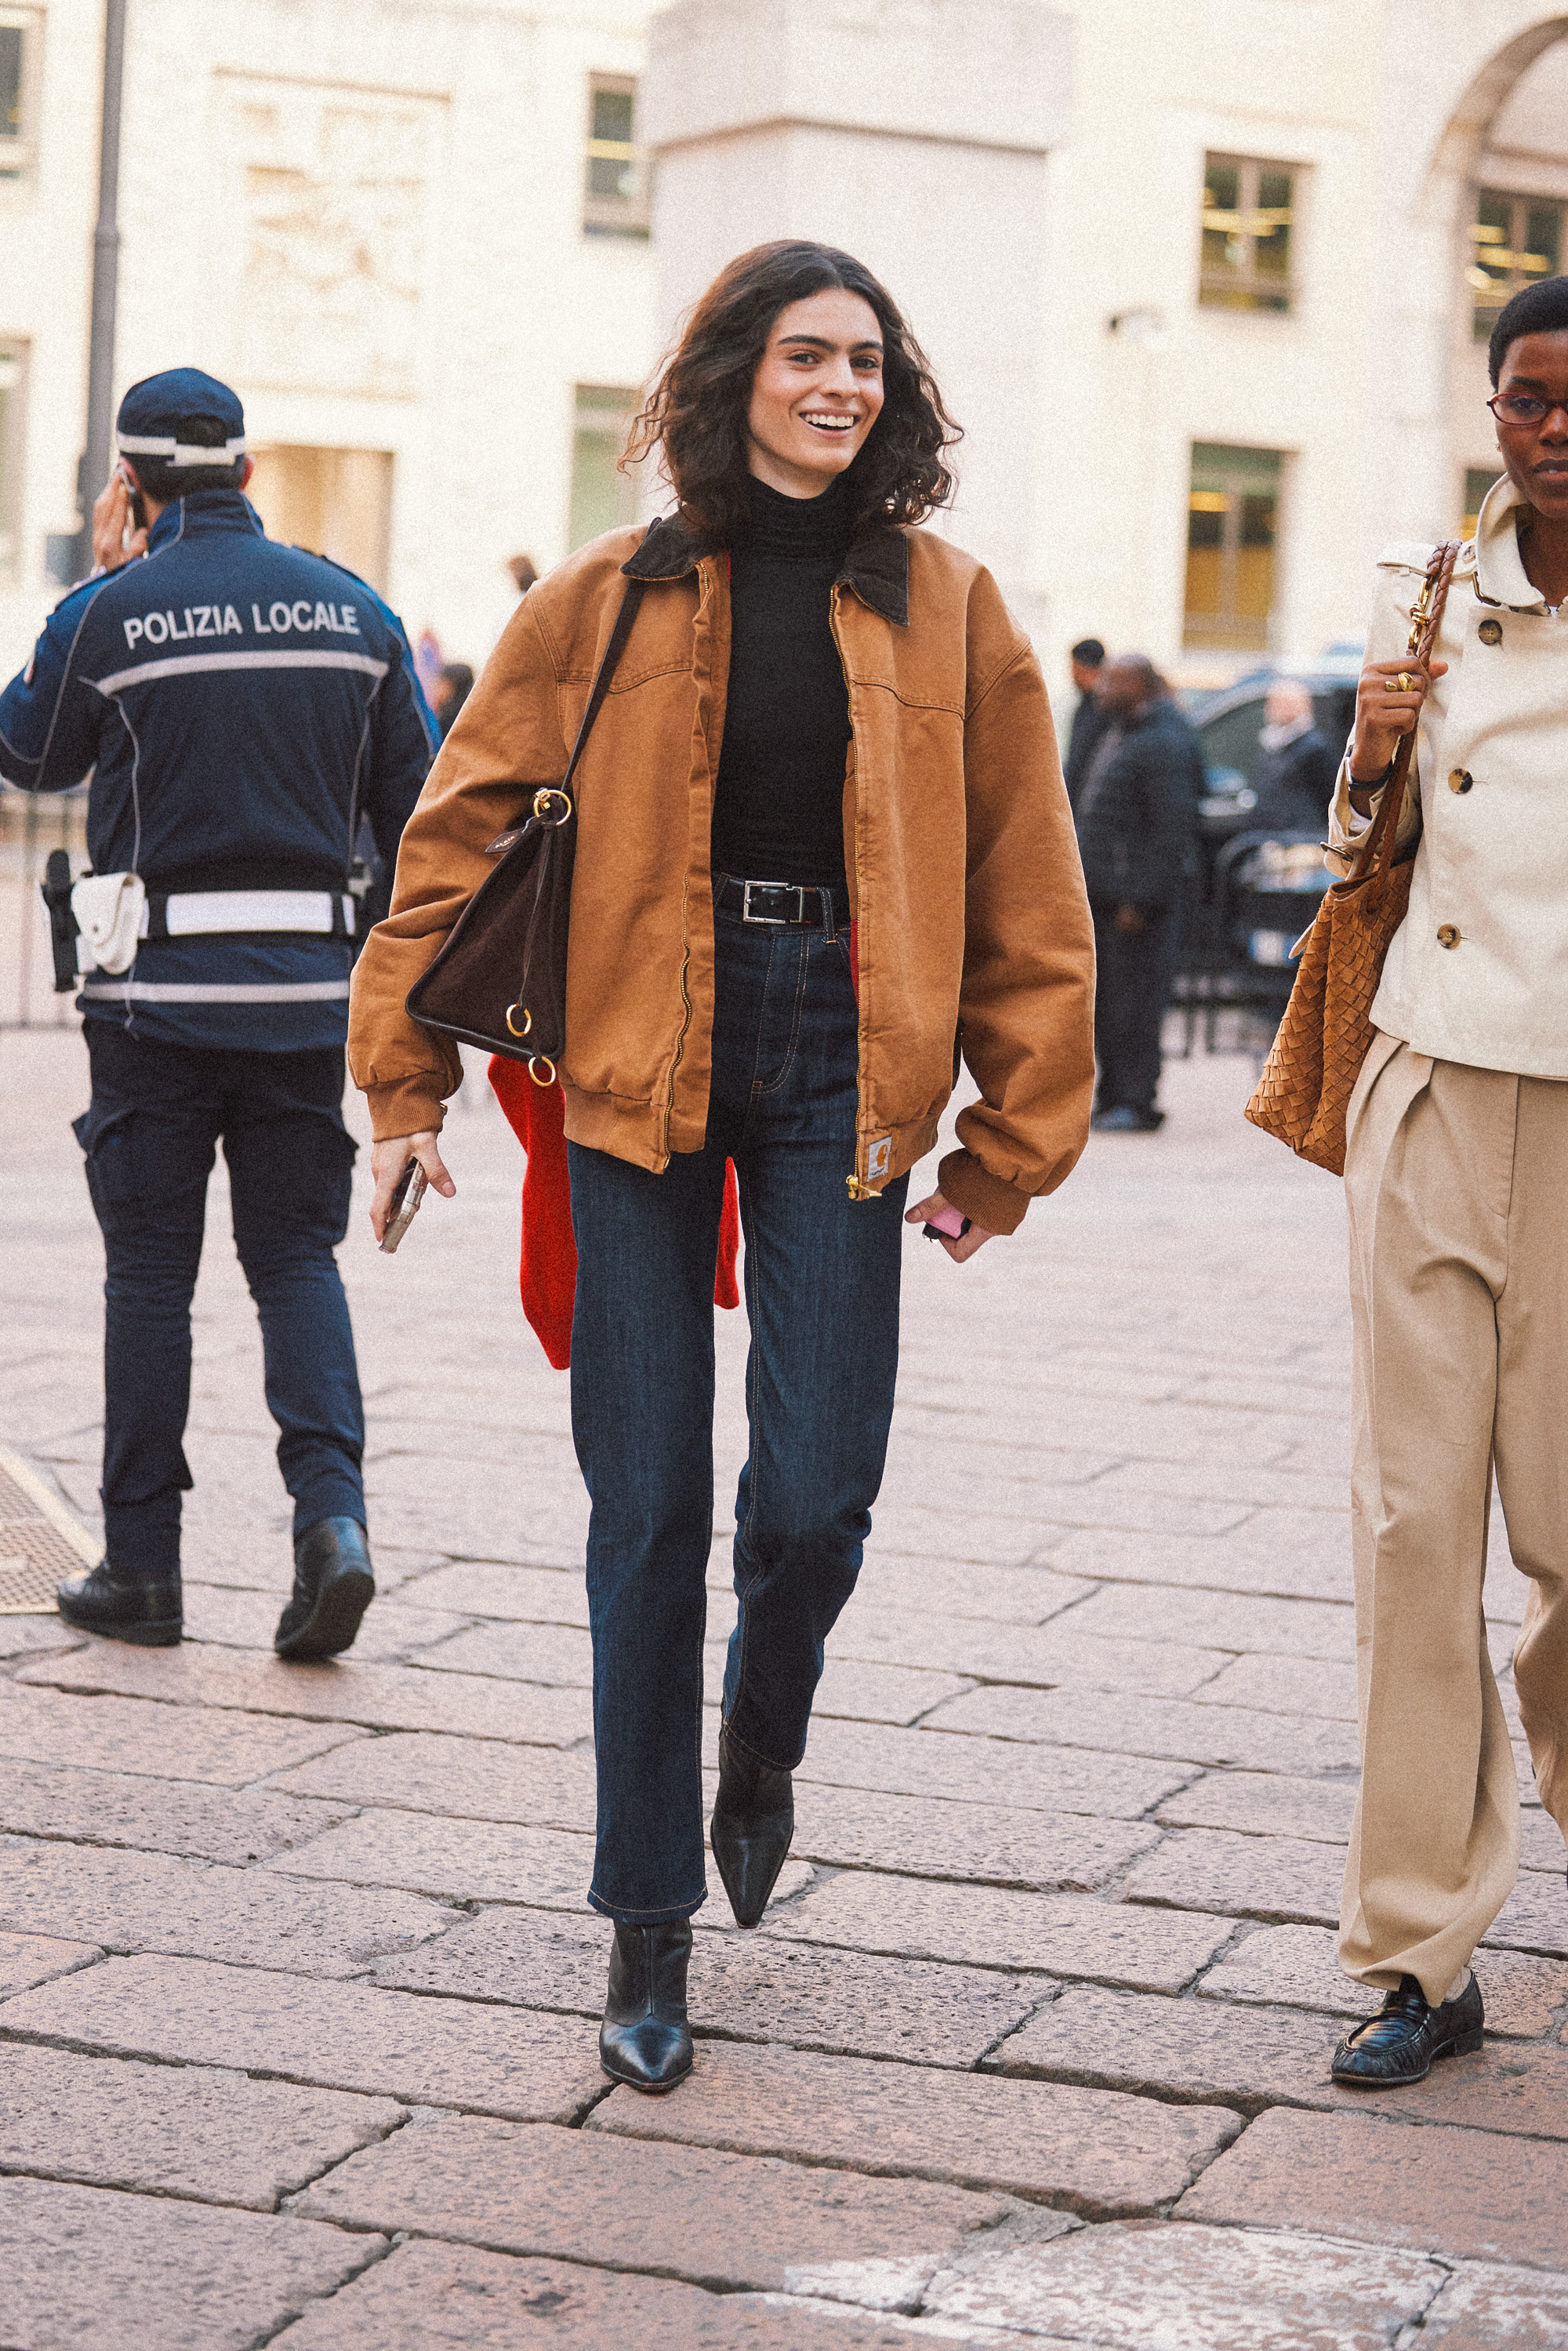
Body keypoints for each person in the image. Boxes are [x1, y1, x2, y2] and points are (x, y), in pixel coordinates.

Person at [350, 240, 1095, 2092]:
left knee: (819, 1493)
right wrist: (404, 1085)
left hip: (838, 1059)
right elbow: (449, 838)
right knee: (646, 1502)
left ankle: (759, 1735)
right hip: (630, 1059)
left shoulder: (949, 605)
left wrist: (1011, 1138)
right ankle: (645, 1919)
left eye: (864, 362)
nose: (837, 387)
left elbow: (1025, 877)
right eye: (802, 357)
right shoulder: (605, 593)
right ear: (728, 378)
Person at [0, 369, 435, 1654]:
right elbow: (416, 812)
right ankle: (334, 1524)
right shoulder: (358, 613)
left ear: (131, 484)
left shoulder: (110, 611)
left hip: (152, 1005)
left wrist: (101, 572)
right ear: (248, 470)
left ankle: (143, 1568)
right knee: (296, 1260)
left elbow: (30, 755)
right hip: (309, 1001)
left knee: (149, 1275)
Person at [1325, 274, 1568, 2088]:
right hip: (1425, 1086)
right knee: (1415, 1531)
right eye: (1519, 399)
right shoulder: (1430, 595)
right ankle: (1420, 1945)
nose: (1543, 425)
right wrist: (1366, 745)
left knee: (1562, 1539)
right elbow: (1356, 852)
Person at [1073, 653, 1200, 1132]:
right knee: (1109, 1005)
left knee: (1135, 1007)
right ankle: (1114, 1097)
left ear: (1140, 687)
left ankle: (1136, 1101)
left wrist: (1141, 900)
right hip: (1106, 899)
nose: (1102, 687)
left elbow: (1170, 832)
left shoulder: (1163, 742)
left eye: (1114, 681)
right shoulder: (1117, 730)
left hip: (1137, 907)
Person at [1250, 679, 1338, 834]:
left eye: (1285, 703)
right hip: (1269, 836)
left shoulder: (1314, 747)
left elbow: (1330, 797)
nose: (1276, 709)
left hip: (1302, 839)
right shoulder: (1269, 744)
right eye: (1273, 703)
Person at [1062, 636, 1108, 807]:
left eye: (1075, 669)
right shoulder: (1086, 703)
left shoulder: (1104, 708)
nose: (1072, 676)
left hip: (1090, 799)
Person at [430, 661, 474, 739]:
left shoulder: (448, 717)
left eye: (441, 683)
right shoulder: (472, 711)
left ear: (451, 686)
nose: (436, 687)